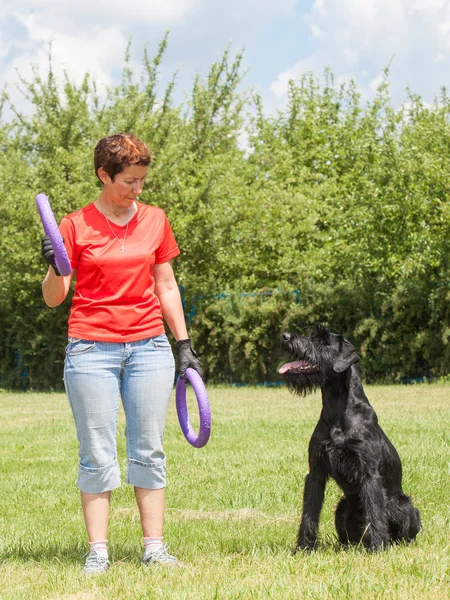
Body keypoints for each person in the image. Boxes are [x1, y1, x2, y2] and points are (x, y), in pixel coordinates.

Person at [41, 132, 202, 574]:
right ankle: (98, 552)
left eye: (142, 180)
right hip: (92, 349)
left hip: (150, 347)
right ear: (103, 175)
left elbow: (165, 285)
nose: (137, 189)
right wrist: (56, 265)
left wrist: (183, 344)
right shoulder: (75, 226)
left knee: (148, 449)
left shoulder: (155, 219)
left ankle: (154, 548)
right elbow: (55, 297)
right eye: (129, 180)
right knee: (97, 450)